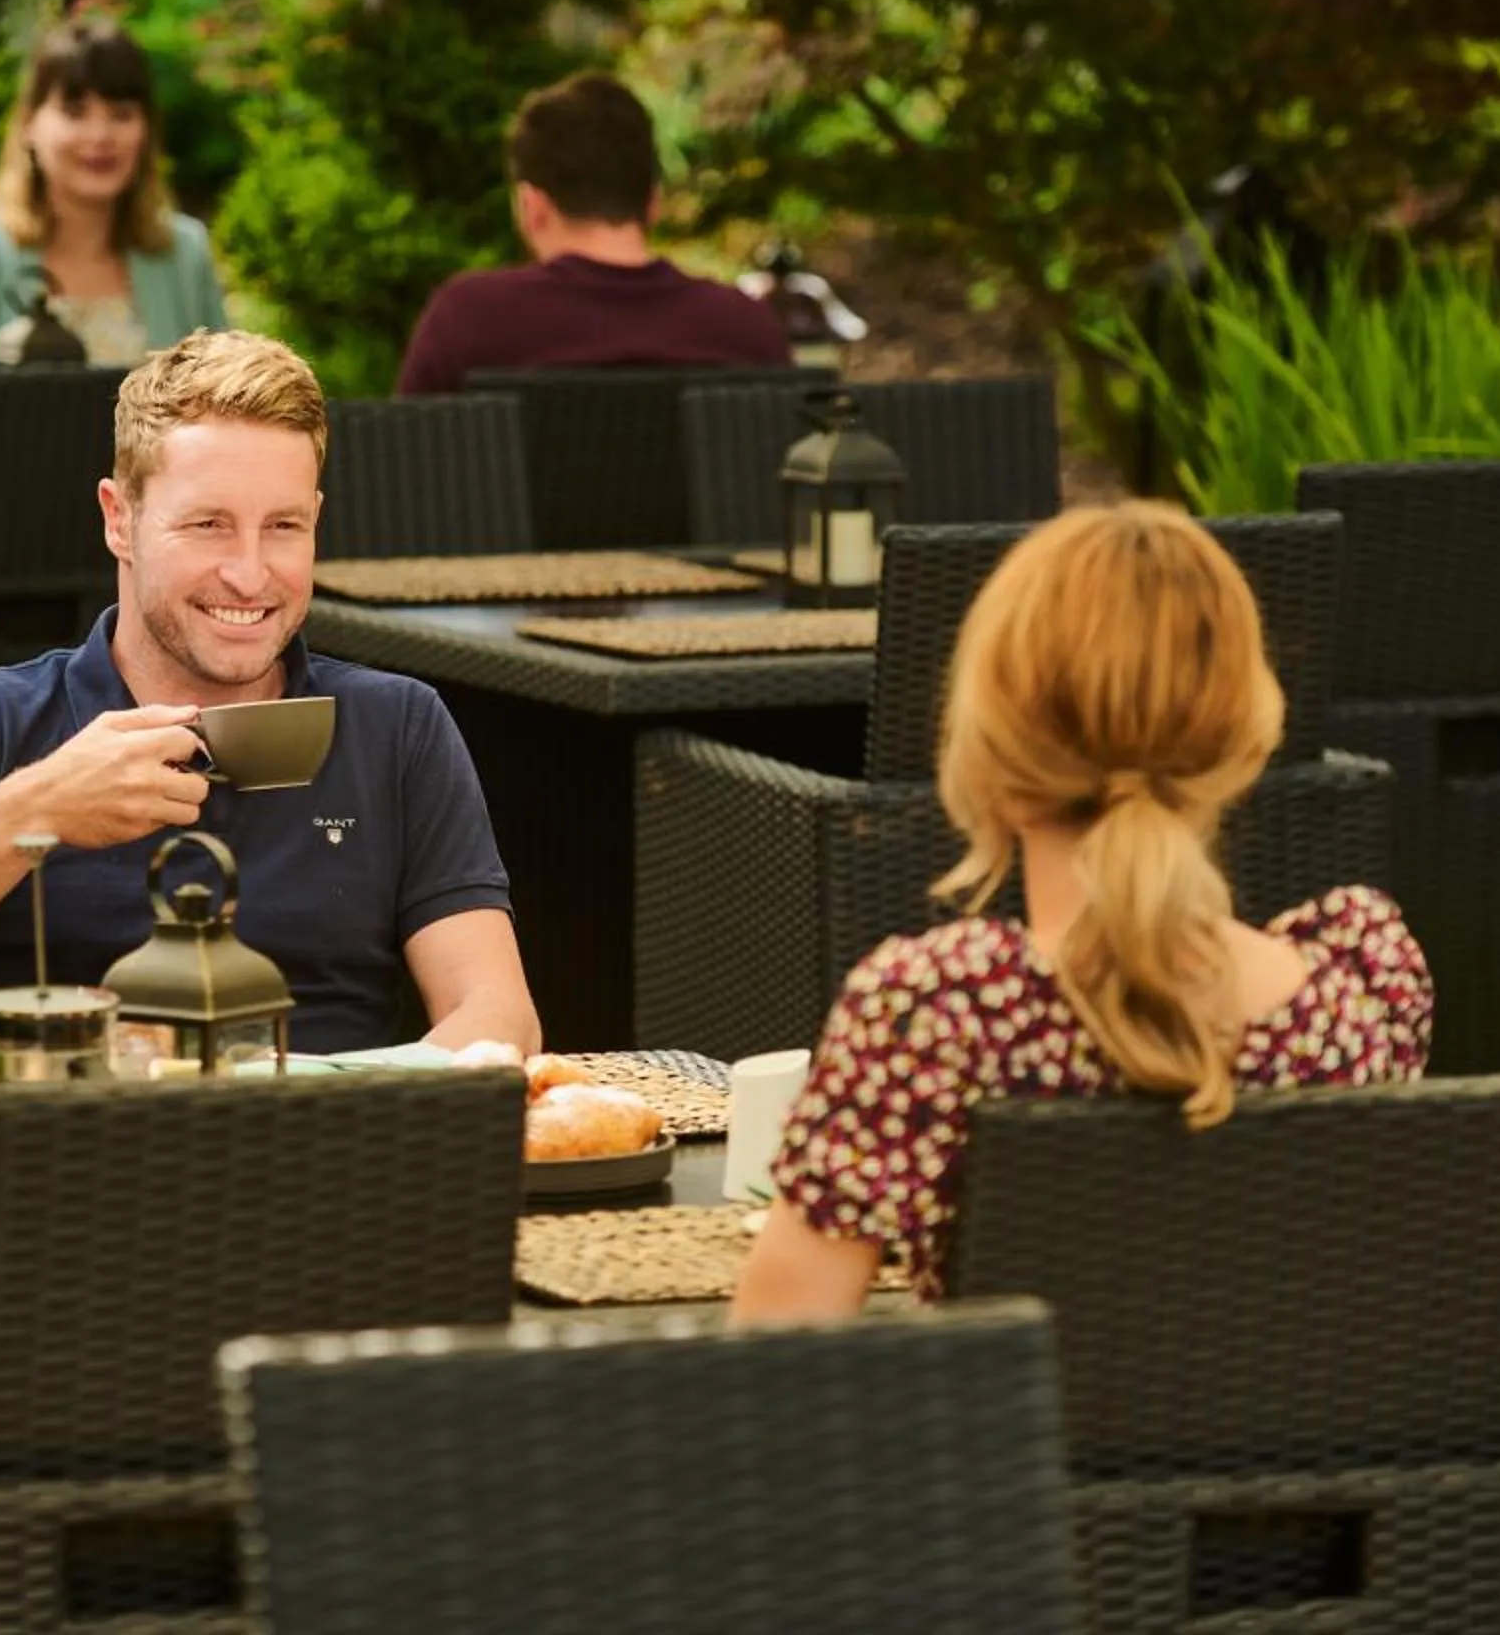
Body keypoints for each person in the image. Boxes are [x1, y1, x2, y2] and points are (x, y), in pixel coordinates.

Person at [731, 503, 1429, 1322]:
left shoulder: (938, 1010)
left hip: (1011, 1453)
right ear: (1241, 735)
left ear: (991, 741)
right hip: (1297, 1453)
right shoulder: (1365, 983)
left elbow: (775, 1357)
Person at [0, 329, 542, 1066]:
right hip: (42, 1173)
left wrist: (319, 1097)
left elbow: (497, 1016)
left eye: (283, 526)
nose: (250, 575)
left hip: (329, 1166)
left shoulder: (395, 725)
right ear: (121, 519)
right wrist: (34, 812)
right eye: (208, 525)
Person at [395, 71, 792, 395]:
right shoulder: (745, 331)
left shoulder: (469, 320)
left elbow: (401, 475)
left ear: (532, 206)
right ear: (654, 200)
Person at [0, 15, 230, 375]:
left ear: (146, 131)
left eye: (121, 114)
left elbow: (230, 398)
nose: (100, 135)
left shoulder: (185, 253)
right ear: (29, 124)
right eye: (75, 112)